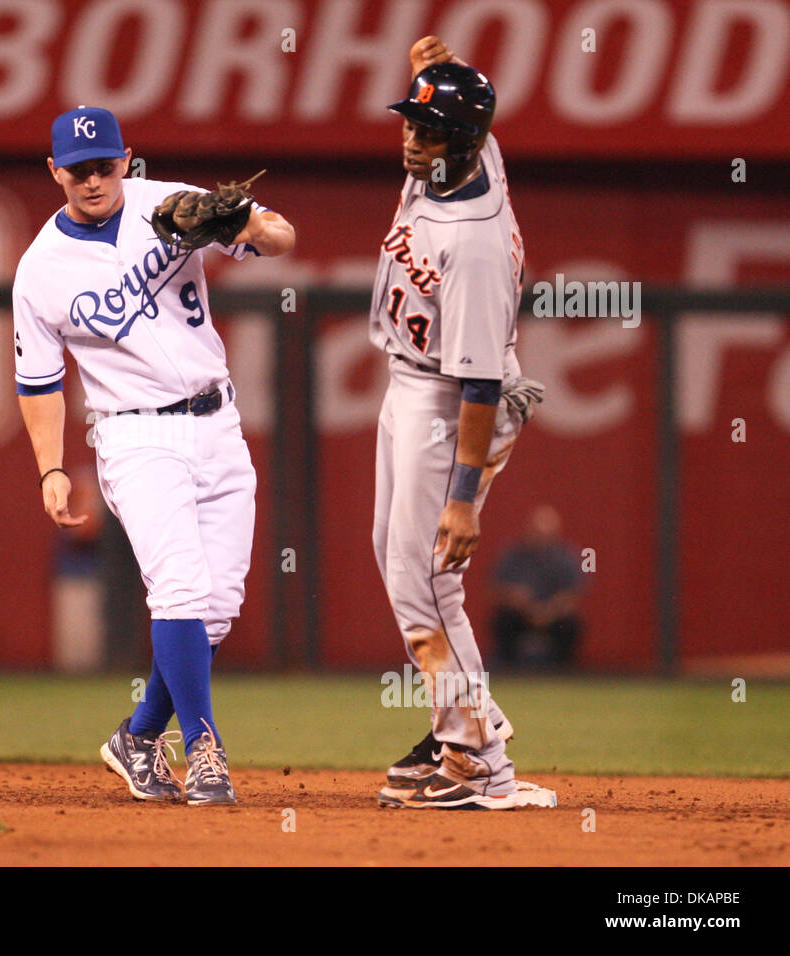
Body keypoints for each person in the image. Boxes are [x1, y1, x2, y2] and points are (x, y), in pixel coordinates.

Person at [13, 107, 294, 805]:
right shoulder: (39, 270)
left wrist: (239, 222)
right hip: (135, 434)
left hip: (217, 418)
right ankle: (202, 751)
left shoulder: (168, 203)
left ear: (125, 159)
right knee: (178, 591)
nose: (92, 179)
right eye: (77, 169)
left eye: (104, 165)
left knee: (218, 609)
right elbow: (39, 382)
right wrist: (50, 465)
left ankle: (137, 738)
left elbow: (284, 238)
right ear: (55, 173)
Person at [368, 38, 554, 809]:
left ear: (465, 142)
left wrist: (463, 499)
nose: (413, 138)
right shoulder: (461, 159)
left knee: (427, 580)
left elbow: (479, 383)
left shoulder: (472, 243)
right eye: (410, 121)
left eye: (429, 128)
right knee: (396, 560)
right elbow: (466, 116)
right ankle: (455, 722)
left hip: (452, 405)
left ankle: (477, 757)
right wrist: (434, 70)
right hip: (415, 385)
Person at [492, 505, 584, 669]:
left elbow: (574, 593)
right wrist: (520, 602)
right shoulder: (513, 554)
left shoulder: (567, 556)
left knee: (570, 624)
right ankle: (506, 669)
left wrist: (548, 611)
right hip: (520, 615)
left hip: (554, 617)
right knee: (504, 620)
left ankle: (565, 670)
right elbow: (496, 587)